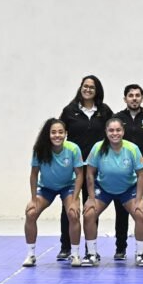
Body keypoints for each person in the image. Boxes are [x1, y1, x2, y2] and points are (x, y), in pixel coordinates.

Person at [58, 75, 113, 260]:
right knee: (70, 207)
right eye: (85, 86)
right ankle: (66, 247)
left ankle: (91, 249)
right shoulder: (69, 110)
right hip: (74, 167)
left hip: (95, 167)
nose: (88, 89)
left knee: (91, 206)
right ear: (80, 88)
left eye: (92, 87)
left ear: (97, 90)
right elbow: (57, 133)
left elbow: (116, 130)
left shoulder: (104, 111)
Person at [81, 118, 143, 267]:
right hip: (104, 189)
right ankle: (91, 253)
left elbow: (141, 175)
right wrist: (91, 198)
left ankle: (141, 253)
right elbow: (90, 173)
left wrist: (139, 199)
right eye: (111, 130)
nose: (115, 133)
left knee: (141, 214)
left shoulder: (132, 149)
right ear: (106, 132)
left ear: (123, 132)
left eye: (118, 130)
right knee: (89, 214)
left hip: (127, 189)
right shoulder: (98, 148)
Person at [23, 119, 84, 267]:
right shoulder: (40, 149)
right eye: (53, 132)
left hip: (67, 186)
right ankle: (31, 254)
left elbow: (80, 174)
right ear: (48, 134)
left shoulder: (73, 149)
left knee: (73, 214)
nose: (57, 135)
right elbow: (33, 175)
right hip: (46, 188)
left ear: (66, 134)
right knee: (31, 213)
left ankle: (75, 254)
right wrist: (33, 199)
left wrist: (75, 200)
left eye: (60, 132)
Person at [113, 84, 143, 260]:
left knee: (142, 212)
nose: (134, 98)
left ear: (142, 98)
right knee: (121, 213)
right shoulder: (117, 118)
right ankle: (120, 248)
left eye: (137, 95)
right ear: (125, 99)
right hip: (122, 174)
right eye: (130, 95)